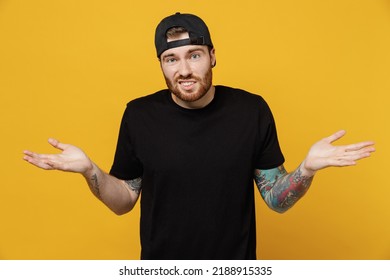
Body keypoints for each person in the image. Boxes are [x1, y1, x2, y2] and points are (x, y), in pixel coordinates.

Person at [23, 12, 375, 260]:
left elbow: (276, 200)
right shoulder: (139, 115)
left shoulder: (251, 110)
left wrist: (307, 169)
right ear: (161, 64)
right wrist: (91, 171)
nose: (185, 70)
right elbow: (125, 201)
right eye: (171, 59)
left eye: (194, 55)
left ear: (212, 56)